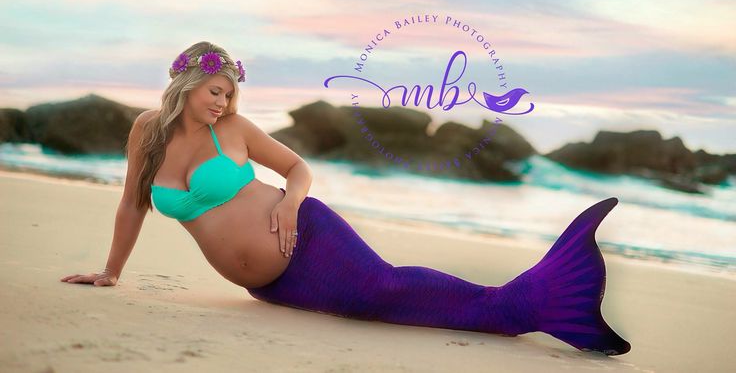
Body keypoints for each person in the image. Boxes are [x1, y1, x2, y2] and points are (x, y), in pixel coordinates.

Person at [61, 41, 631, 356]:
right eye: (216, 91)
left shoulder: (233, 131)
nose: (223, 103)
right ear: (186, 85)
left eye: (230, 94)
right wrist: (112, 272)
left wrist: (287, 202)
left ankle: (529, 301)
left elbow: (296, 167)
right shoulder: (146, 132)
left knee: (384, 286)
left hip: (306, 233)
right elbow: (133, 203)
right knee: (377, 305)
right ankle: (525, 305)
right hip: (270, 285)